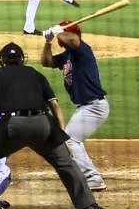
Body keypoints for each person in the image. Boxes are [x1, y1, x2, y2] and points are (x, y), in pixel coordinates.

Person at [0, 42, 104, 209]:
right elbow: (54, 106)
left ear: (1, 60)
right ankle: (89, 208)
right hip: (43, 125)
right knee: (66, 164)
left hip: (12, 126)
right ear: (22, 59)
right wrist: (60, 135)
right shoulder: (35, 74)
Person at [41, 21, 109, 191]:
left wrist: (59, 32)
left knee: (70, 139)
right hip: (85, 107)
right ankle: (89, 175)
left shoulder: (82, 50)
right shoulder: (67, 55)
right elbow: (46, 62)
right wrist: (48, 42)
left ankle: (93, 178)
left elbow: (74, 40)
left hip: (94, 106)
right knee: (71, 139)